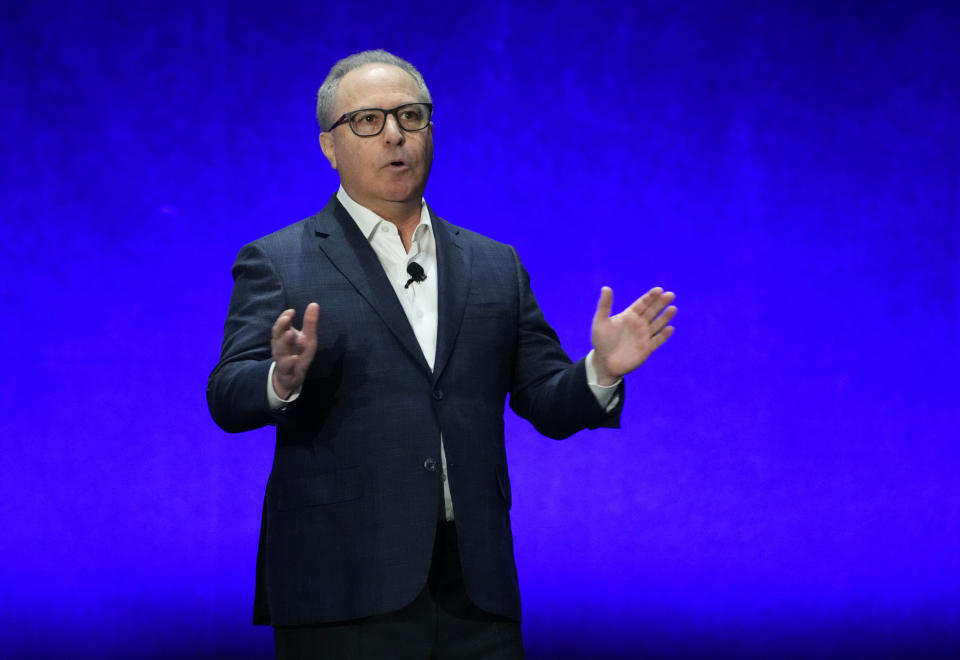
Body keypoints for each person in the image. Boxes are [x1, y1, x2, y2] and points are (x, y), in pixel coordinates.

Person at [207, 49, 677, 660]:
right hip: (340, 585)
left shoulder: (493, 265)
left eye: (412, 116)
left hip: (474, 592)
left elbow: (546, 401)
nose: (396, 135)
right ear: (329, 144)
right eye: (369, 121)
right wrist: (280, 378)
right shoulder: (279, 260)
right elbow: (228, 394)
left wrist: (600, 371)